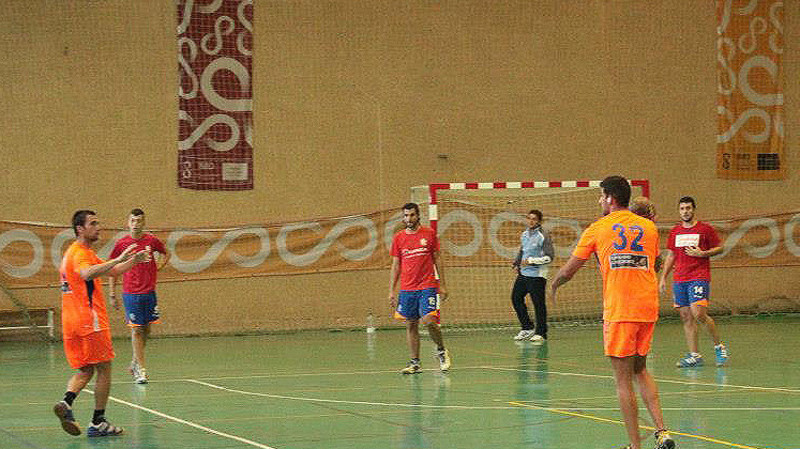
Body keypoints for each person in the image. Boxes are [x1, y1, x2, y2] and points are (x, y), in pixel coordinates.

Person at [550, 176, 675, 449]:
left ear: (610, 198)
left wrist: (555, 285)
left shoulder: (598, 228)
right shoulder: (649, 228)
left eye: (601, 196)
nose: (599, 201)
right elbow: (654, 264)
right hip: (647, 306)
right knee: (640, 368)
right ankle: (662, 432)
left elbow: (569, 270)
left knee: (623, 381)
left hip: (621, 309)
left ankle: (635, 446)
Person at [54, 210, 146, 437]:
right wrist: (119, 258)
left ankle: (66, 403)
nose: (98, 227)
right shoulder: (80, 254)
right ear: (80, 229)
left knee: (86, 369)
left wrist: (133, 261)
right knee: (104, 368)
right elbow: (87, 273)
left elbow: (112, 271)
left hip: (71, 322)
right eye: (93, 224)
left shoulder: (77, 252)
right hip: (89, 320)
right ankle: (98, 421)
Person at [659, 197, 728, 368]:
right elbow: (671, 255)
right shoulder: (675, 231)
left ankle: (719, 347)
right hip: (680, 279)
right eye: (682, 208)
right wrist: (663, 278)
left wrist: (703, 254)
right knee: (686, 317)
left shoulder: (704, 229)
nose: (685, 211)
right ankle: (695, 355)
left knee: (699, 314)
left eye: (688, 208)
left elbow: (720, 248)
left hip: (698, 277)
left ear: (694, 209)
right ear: (679, 211)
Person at [389, 202, 451, 374]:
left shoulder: (429, 234)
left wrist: (442, 285)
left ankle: (441, 350)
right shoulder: (398, 238)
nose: (409, 219)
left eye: (412, 215)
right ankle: (415, 362)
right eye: (406, 216)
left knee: (429, 321)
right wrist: (391, 290)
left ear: (418, 216)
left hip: (427, 286)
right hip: (407, 288)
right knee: (411, 324)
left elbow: (438, 259)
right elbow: (395, 265)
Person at [108, 208, 168, 384]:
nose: (136, 224)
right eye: (133, 221)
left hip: (149, 292)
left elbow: (166, 253)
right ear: (128, 223)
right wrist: (112, 294)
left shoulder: (151, 240)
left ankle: (134, 362)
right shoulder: (122, 244)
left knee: (147, 330)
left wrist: (158, 267)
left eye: (139, 220)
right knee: (136, 330)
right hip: (131, 293)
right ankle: (141, 371)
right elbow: (112, 269)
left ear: (144, 222)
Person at [510, 209, 554, 343]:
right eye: (529, 218)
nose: (531, 221)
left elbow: (549, 257)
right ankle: (527, 327)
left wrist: (531, 261)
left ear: (539, 221)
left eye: (534, 219)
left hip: (537, 275)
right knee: (516, 298)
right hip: (524, 274)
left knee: (538, 304)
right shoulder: (524, 234)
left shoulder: (543, 236)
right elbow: (522, 251)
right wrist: (517, 263)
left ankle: (541, 333)